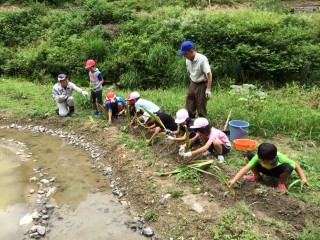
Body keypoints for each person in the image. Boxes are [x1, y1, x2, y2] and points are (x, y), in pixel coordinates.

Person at [228, 143, 309, 192]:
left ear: (274, 158)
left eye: (265, 160)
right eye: (261, 159)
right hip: (264, 170)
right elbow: (246, 168)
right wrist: (234, 180)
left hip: (276, 172)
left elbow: (296, 165)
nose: (262, 162)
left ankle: (281, 182)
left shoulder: (281, 158)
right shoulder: (259, 157)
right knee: (248, 157)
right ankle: (257, 176)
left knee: (289, 167)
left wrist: (303, 178)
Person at [178, 40, 212, 119]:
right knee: (189, 104)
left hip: (202, 84)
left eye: (185, 54)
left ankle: (203, 127)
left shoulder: (202, 59)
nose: (184, 56)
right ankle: (190, 124)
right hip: (193, 83)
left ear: (191, 51)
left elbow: (209, 74)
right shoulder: (187, 59)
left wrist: (208, 89)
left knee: (201, 107)